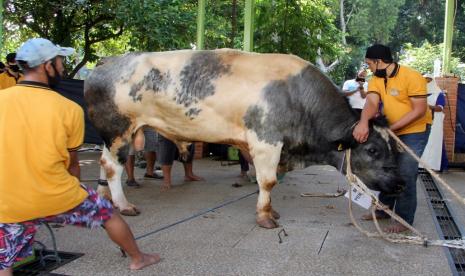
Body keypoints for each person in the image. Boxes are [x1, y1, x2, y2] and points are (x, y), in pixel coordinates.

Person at [0, 38, 160, 275]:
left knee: (5, 262)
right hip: (56, 194)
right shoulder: (69, 109)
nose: (63, 67)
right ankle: (138, 258)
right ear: (47, 65)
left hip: (7, 201)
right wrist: (70, 196)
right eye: (60, 61)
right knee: (108, 215)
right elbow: (73, 166)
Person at [353, 44, 431, 233]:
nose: (368, 68)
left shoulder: (412, 77)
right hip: (391, 130)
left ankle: (404, 220)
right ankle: (383, 209)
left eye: (369, 64)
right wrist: (363, 122)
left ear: (379, 62)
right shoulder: (376, 80)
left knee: (405, 172)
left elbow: (419, 110)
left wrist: (390, 129)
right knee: (386, 168)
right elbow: (371, 103)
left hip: (415, 131)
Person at [420, 74, 448, 171]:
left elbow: (440, 108)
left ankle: (432, 165)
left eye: (428, 81)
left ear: (432, 81)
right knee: (423, 141)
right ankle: (422, 165)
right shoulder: (421, 93)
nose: (426, 83)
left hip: (435, 121)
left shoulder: (438, 93)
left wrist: (428, 107)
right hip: (422, 120)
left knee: (434, 142)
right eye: (425, 81)